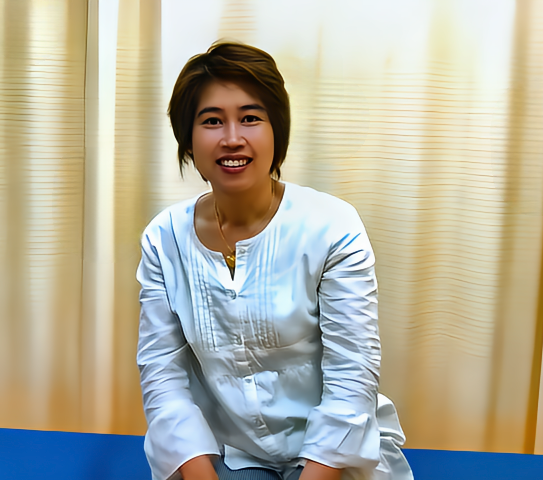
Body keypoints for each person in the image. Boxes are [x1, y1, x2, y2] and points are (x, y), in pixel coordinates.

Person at [136, 42, 414, 480]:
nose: (232, 138)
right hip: (233, 453)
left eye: (250, 118)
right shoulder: (163, 239)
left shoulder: (332, 226)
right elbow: (163, 377)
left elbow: (352, 377)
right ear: (188, 137)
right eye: (212, 121)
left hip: (335, 454)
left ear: (276, 131)